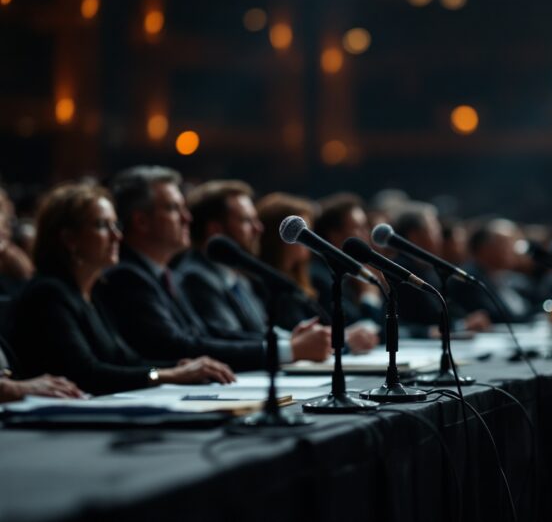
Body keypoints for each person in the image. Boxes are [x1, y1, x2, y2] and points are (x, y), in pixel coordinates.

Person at [5, 183, 235, 395]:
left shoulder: (90, 291)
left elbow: (126, 360)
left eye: (116, 225)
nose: (117, 235)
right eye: (102, 225)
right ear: (69, 238)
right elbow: (87, 374)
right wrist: (167, 375)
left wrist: (180, 368)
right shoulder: (49, 293)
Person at [94, 166, 267, 372]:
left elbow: (204, 334)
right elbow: (173, 346)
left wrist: (281, 344)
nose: (187, 218)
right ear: (141, 221)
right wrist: (282, 350)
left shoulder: (165, 274)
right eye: (173, 208)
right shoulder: (126, 276)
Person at [177, 180, 331, 362]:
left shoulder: (238, 276)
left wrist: (293, 339)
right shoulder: (196, 276)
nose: (258, 228)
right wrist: (291, 345)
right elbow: (227, 337)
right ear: (215, 229)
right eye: (246, 220)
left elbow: (258, 332)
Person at [257, 192, 378, 353]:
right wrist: (369, 298)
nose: (309, 239)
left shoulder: (299, 280)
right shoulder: (318, 276)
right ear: (276, 236)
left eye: (309, 231)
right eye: (302, 234)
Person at [390, 203, 491, 336]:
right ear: (414, 235)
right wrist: (428, 332)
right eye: (434, 230)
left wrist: (464, 322)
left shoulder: (429, 270)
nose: (440, 237)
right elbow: (399, 323)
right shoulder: (397, 269)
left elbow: (445, 310)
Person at [313, 193, 381, 352]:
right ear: (334, 234)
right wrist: (369, 298)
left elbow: (384, 331)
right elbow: (362, 335)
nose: (366, 235)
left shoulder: (350, 273)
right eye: (358, 227)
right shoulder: (320, 276)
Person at [450, 219, 536, 323]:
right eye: (505, 245)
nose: (512, 251)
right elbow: (496, 315)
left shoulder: (503, 277)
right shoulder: (469, 277)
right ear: (485, 249)